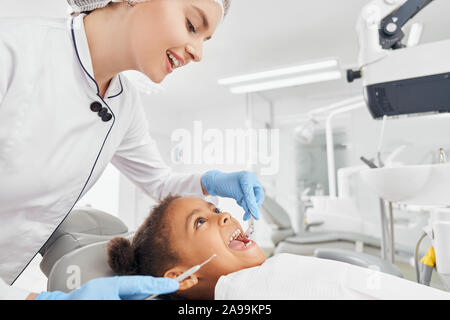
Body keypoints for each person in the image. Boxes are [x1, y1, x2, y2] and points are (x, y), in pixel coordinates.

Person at [0, 0, 265, 299]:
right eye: (192, 25)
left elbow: (159, 182)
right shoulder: (12, 52)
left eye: (204, 40)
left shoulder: (124, 103)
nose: (198, 53)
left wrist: (211, 181)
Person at [107, 195, 450, 300]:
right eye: (200, 222)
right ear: (182, 277)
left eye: (214, 209)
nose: (224, 215)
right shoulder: (243, 290)